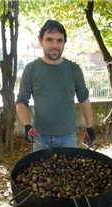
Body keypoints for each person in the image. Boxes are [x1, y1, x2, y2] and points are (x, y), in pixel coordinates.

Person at [16, 19, 95, 151]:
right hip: (40, 136)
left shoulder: (74, 69)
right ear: (41, 41)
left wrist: (90, 128)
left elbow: (84, 99)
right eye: (49, 39)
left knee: (69, 171)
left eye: (59, 40)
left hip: (68, 137)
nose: (55, 45)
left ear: (64, 43)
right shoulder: (31, 69)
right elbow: (21, 101)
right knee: (41, 172)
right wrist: (27, 126)